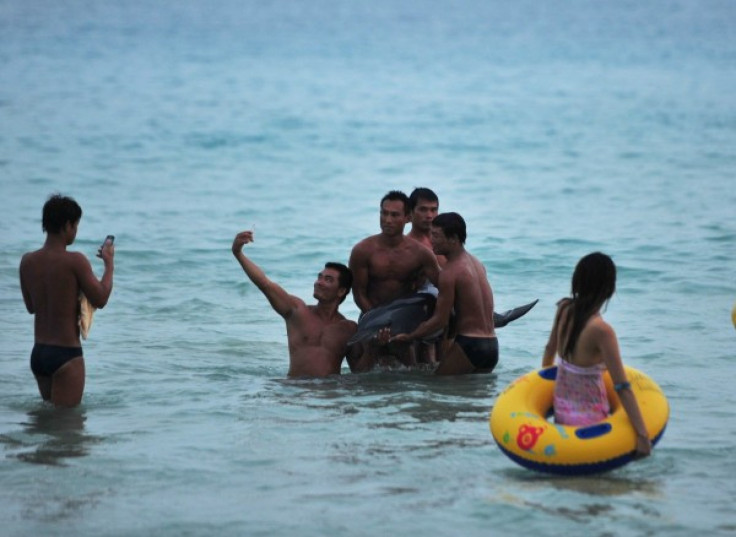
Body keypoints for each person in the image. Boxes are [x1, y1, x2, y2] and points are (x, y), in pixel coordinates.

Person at [541, 252, 651, 458]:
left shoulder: (563, 309)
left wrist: (545, 386)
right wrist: (643, 436)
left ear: (577, 281)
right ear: (609, 288)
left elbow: (549, 350)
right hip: (592, 422)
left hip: (562, 414)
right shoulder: (602, 331)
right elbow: (622, 386)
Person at [19, 194, 115, 407]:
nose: (76, 231)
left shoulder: (27, 261)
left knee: (47, 424)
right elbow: (101, 298)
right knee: (68, 431)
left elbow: (31, 307)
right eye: (76, 225)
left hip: (39, 354)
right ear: (67, 225)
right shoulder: (75, 261)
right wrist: (109, 265)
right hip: (66, 355)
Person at [232, 229, 367, 377]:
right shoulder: (297, 311)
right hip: (296, 391)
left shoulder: (348, 329)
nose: (319, 283)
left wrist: (374, 347)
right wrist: (238, 253)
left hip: (330, 394)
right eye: (319, 277)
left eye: (328, 280)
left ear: (341, 291)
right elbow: (265, 284)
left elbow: (360, 371)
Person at [390, 212, 499, 375]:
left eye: (436, 235)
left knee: (436, 389)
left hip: (470, 344)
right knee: (473, 397)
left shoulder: (450, 272)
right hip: (492, 345)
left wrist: (409, 336)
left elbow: (440, 320)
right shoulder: (477, 264)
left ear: (453, 238)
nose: (431, 240)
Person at [348, 190, 440, 367]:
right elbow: (359, 293)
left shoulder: (421, 253)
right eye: (384, 213)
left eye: (394, 215)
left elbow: (444, 286)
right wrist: (378, 321)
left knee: (411, 375)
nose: (387, 220)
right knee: (367, 377)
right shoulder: (363, 250)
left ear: (408, 217)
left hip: (404, 323)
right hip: (371, 318)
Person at [407, 187, 446, 268]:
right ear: (410, 212)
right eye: (423, 210)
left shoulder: (446, 241)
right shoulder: (408, 247)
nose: (429, 215)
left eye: (433, 210)